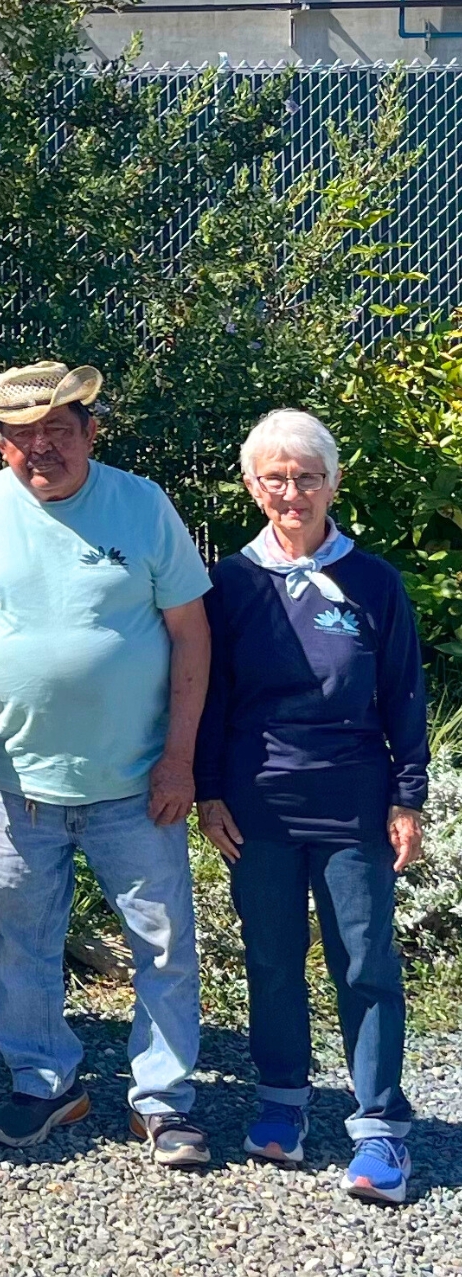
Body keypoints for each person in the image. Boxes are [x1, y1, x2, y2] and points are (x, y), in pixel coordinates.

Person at [0, 361, 214, 1167]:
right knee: (24, 942)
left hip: (137, 784)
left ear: (91, 429)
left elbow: (192, 634)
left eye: (58, 427)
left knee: (160, 944)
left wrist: (179, 761)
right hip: (20, 786)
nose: (40, 445)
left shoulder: (142, 503)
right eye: (22, 433)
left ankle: (163, 1102)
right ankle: (45, 1080)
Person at [196, 408, 427, 1205]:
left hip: (354, 800)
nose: (291, 491)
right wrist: (207, 789)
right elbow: (209, 694)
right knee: (271, 957)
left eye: (307, 476)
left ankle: (381, 1130)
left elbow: (403, 693)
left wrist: (409, 795)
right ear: (253, 486)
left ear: (333, 482)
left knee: (365, 963)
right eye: (275, 477)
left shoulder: (375, 581)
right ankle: (282, 1103)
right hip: (256, 802)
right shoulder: (230, 582)